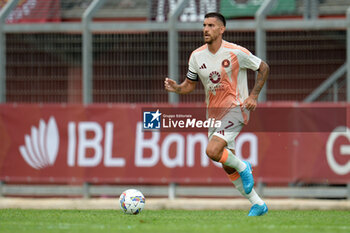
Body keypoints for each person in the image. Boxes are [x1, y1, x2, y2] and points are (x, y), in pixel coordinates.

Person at [164, 12, 269, 216]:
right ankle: (258, 204)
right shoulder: (196, 56)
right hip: (213, 114)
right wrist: (176, 88)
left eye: (211, 25)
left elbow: (263, 67)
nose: (205, 29)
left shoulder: (236, 52)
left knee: (212, 151)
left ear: (222, 29)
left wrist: (254, 96)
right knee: (227, 165)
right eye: (204, 25)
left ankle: (245, 166)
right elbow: (189, 86)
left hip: (236, 108)